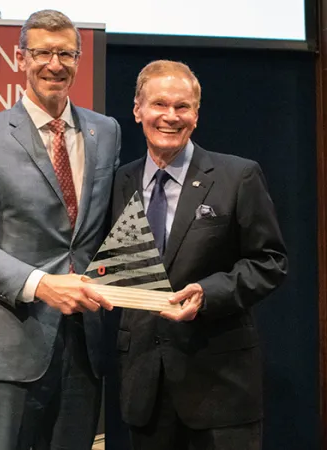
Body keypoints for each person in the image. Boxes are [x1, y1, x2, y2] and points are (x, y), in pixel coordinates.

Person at [0, 9, 121, 450]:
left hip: (85, 348)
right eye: (42, 52)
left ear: (79, 59)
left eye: (66, 53)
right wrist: (42, 285)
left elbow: (107, 229)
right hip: (10, 346)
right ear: (21, 57)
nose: (54, 64)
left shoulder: (107, 131)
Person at [111, 60, 287, 450]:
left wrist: (209, 294)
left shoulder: (237, 176)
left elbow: (270, 262)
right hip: (144, 387)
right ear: (138, 109)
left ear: (196, 114)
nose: (170, 116)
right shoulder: (120, 181)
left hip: (220, 387)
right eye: (159, 104)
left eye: (182, 106)